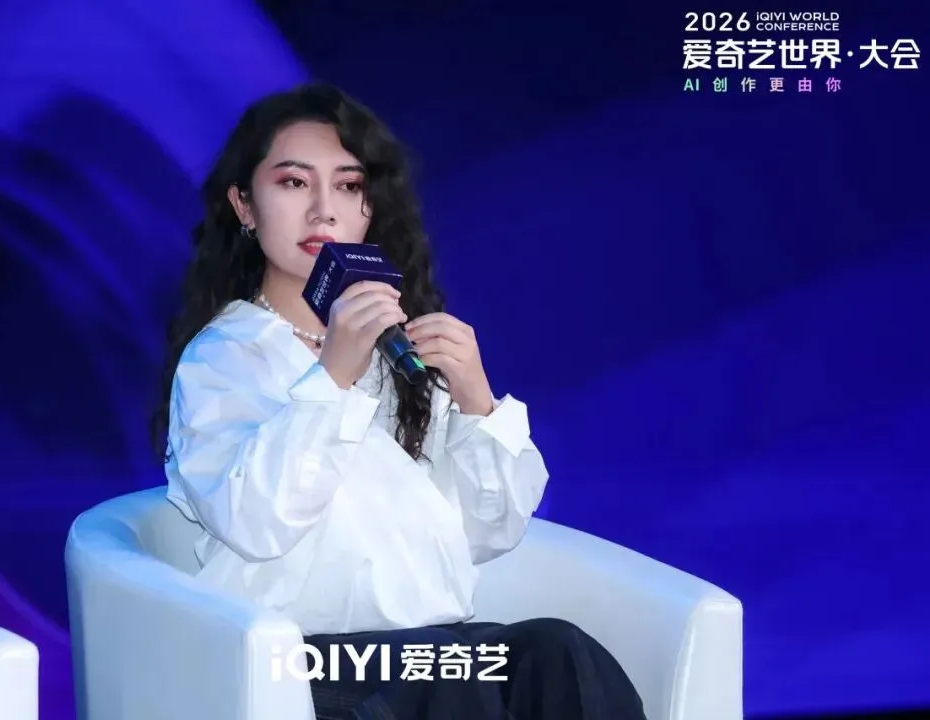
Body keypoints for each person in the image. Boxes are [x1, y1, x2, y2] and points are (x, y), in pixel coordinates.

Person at [151, 83, 645, 720]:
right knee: (448, 677)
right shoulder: (224, 357)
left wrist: (475, 401)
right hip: (298, 661)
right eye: (294, 183)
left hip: (429, 651)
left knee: (559, 654)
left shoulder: (396, 353)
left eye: (349, 186)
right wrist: (332, 377)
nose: (324, 211)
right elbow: (256, 521)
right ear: (244, 205)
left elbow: (487, 533)